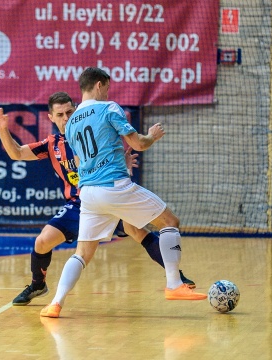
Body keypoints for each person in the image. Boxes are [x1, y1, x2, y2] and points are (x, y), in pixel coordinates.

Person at [0, 92, 195, 306]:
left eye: (69, 112)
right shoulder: (52, 144)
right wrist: (3, 129)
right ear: (50, 117)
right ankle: (37, 285)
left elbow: (111, 163)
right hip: (78, 204)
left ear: (76, 109)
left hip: (104, 195)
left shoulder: (92, 132)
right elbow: (17, 153)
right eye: (60, 114)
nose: (66, 117)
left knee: (137, 230)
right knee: (42, 242)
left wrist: (123, 164)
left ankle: (175, 277)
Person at [40, 68, 206, 318]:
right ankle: (174, 284)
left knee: (82, 253)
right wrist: (152, 136)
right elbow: (138, 143)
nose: (108, 91)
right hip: (113, 186)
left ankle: (55, 303)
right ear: (98, 85)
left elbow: (80, 159)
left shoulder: (71, 123)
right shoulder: (109, 108)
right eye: (106, 87)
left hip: (88, 193)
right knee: (170, 222)